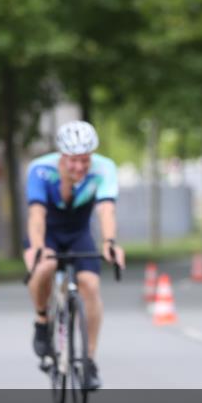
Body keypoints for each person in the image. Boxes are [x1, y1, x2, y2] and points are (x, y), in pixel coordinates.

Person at [23, 120, 126, 388]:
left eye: (85, 160)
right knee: (43, 268)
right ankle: (42, 319)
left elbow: (106, 209)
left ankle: (88, 360)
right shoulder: (40, 169)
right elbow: (36, 214)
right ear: (61, 156)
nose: (79, 167)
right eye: (73, 161)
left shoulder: (104, 169)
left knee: (90, 285)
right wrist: (38, 247)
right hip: (47, 232)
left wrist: (110, 242)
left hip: (79, 232)